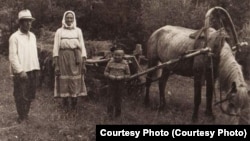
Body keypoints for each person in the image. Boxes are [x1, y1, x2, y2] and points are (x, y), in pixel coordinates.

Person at [9, 9, 40, 123]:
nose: (28, 24)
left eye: (30, 21)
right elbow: (13, 57)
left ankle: (25, 114)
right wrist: (20, 71)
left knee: (30, 93)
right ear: (20, 23)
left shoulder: (32, 36)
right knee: (20, 94)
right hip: (21, 71)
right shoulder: (14, 37)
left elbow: (33, 54)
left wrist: (36, 68)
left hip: (32, 68)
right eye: (25, 21)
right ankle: (21, 116)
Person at [53, 10, 87, 110]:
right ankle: (65, 105)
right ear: (64, 18)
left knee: (75, 79)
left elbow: (82, 46)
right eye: (67, 17)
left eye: (71, 18)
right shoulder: (59, 31)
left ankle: (73, 105)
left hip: (76, 57)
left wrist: (84, 62)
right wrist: (56, 64)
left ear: (74, 19)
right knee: (64, 79)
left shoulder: (78, 31)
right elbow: (56, 47)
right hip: (63, 57)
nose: (69, 19)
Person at [104, 47, 130, 118]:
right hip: (111, 82)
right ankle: (109, 114)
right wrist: (109, 76)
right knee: (110, 98)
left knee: (118, 98)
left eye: (119, 55)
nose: (117, 57)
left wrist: (121, 77)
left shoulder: (125, 64)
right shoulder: (110, 62)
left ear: (123, 56)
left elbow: (128, 75)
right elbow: (105, 72)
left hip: (120, 83)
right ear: (113, 55)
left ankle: (117, 115)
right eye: (115, 55)